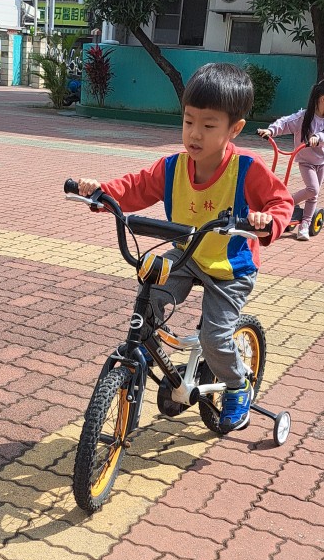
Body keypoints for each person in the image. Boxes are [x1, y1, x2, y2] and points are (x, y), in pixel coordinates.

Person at [78, 62, 293, 433]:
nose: (194, 133)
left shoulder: (246, 168)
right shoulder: (173, 167)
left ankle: (238, 386)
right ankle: (145, 349)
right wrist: (101, 194)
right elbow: (136, 187)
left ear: (234, 129)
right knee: (149, 288)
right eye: (188, 121)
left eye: (208, 126)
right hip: (187, 255)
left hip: (229, 267)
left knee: (215, 338)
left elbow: (280, 202)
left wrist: (266, 220)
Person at [258, 79, 324, 241]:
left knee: (313, 195)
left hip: (321, 162)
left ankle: (305, 225)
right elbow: (285, 123)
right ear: (319, 99)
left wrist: (318, 137)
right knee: (313, 189)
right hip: (306, 161)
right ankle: (285, 203)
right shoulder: (303, 117)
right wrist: (270, 131)